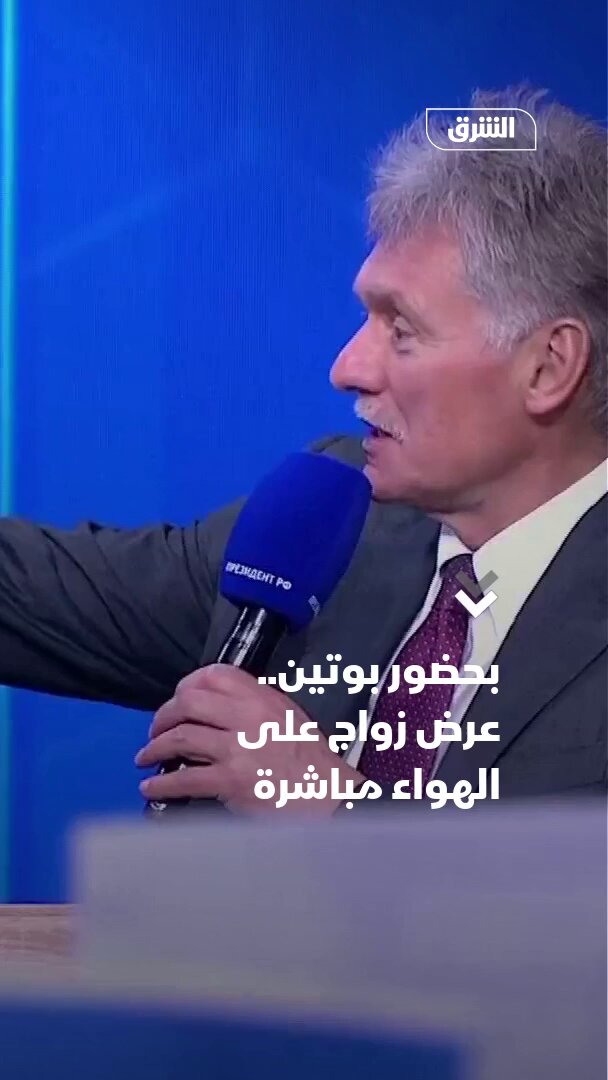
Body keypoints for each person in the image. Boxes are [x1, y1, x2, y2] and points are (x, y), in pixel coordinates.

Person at [1, 85, 606, 814]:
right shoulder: (335, 523)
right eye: (365, 318)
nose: (347, 368)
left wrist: (333, 812)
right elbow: (32, 597)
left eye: (401, 330)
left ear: (547, 366)